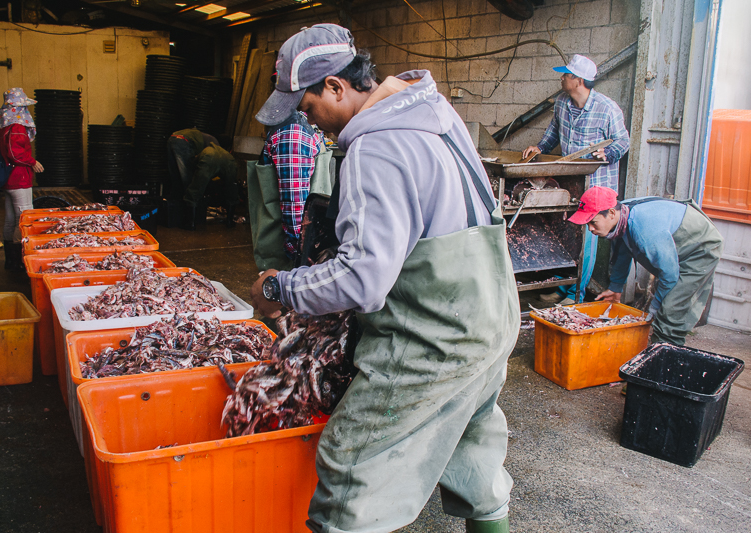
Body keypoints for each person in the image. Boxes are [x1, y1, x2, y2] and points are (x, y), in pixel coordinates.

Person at [250, 24, 520, 533]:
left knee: (349, 464)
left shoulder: (376, 146)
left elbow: (362, 279)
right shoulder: (435, 116)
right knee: (473, 450)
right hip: (491, 318)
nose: (309, 124)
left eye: (307, 108)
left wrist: (278, 288)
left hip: (433, 334)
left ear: (335, 86)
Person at [522, 54, 630, 305]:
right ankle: (562, 286)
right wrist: (539, 148)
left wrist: (610, 152)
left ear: (578, 80)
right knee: (565, 235)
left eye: (566, 75)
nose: (561, 78)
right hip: (570, 184)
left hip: (596, 188)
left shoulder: (607, 108)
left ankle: (575, 295)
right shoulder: (562, 102)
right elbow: (552, 135)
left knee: (587, 241)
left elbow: (623, 141)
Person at [567, 186, 723, 346]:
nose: (590, 229)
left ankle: (666, 356)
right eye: (587, 224)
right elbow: (622, 250)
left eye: (593, 222)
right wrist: (616, 287)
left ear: (611, 213)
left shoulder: (645, 232)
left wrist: (654, 310)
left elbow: (669, 276)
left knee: (671, 312)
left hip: (700, 247)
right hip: (671, 239)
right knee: (663, 297)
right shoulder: (622, 215)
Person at [248, 106, 334, 272]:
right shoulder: (294, 132)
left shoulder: (301, 125)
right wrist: (301, 257)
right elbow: (295, 208)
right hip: (293, 260)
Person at [0, 88, 44, 271]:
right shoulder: (16, 127)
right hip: (19, 178)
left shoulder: (3, 126)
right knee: (24, 218)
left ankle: (10, 260)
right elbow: (15, 153)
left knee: (11, 218)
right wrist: (32, 161)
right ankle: (20, 259)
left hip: (8, 179)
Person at [166, 128, 238, 230]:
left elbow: (195, 165)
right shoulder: (224, 152)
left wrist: (199, 180)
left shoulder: (208, 148)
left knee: (193, 189)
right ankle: (230, 221)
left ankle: (190, 223)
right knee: (232, 190)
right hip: (230, 161)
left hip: (175, 139)